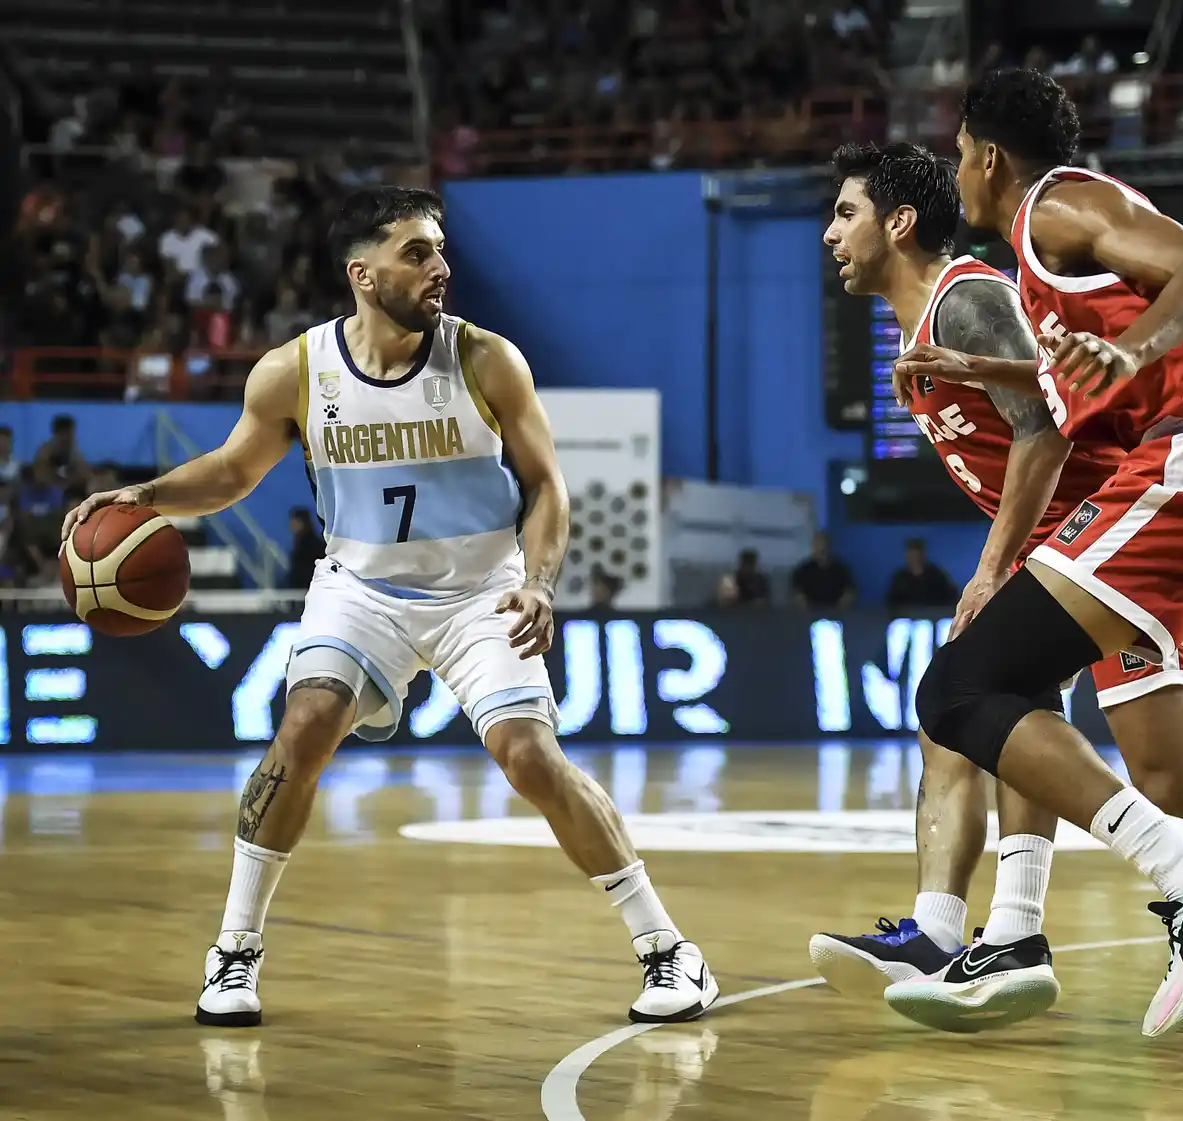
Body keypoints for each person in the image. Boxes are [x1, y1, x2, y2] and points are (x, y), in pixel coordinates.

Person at [63, 185, 717, 1030]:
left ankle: (670, 949)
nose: (440, 268)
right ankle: (234, 952)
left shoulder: (486, 359)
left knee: (528, 755)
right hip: (361, 588)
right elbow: (229, 473)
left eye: (441, 250)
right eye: (418, 253)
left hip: (481, 589)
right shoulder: (297, 371)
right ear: (362, 274)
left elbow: (548, 486)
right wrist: (144, 495)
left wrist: (541, 579)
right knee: (303, 728)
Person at [812, 139, 1183, 1036]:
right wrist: (984, 382)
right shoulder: (933, 329)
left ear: (898, 221)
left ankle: (1011, 923)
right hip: (1114, 528)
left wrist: (995, 562)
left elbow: (1051, 427)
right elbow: (1049, 386)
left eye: (844, 212)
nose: (829, 233)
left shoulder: (965, 295)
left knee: (964, 698)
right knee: (1169, 774)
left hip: (1135, 517)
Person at [790, 530, 856, 609]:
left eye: (821, 544)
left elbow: (849, 591)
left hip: (835, 614)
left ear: (828, 546)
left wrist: (839, 610)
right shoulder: (803, 570)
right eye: (816, 544)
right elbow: (798, 594)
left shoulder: (841, 569)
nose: (818, 547)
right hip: (810, 614)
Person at [885, 537, 958, 608]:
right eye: (912, 555)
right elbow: (891, 603)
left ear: (923, 555)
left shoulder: (937, 575)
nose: (915, 558)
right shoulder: (899, 578)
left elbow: (950, 597)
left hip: (934, 615)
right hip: (906, 617)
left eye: (917, 555)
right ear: (907, 556)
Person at [285, 507, 323, 589]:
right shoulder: (299, 543)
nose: (291, 525)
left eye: (294, 522)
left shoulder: (312, 545)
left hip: (308, 588)